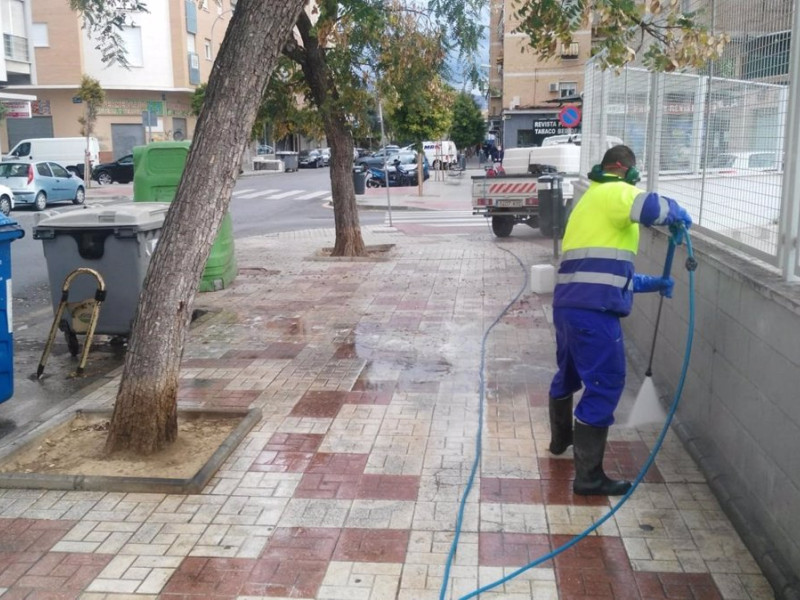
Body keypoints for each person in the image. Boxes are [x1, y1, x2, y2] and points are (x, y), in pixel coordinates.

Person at [548, 144, 692, 496]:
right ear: (620, 167)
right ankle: (589, 478)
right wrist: (678, 213)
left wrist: (654, 283)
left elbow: (606, 275)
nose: (635, 176)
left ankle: (559, 442)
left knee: (567, 373)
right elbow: (653, 207)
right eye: (633, 170)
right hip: (595, 315)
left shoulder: (589, 201)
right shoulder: (615, 191)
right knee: (606, 383)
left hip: (568, 307)